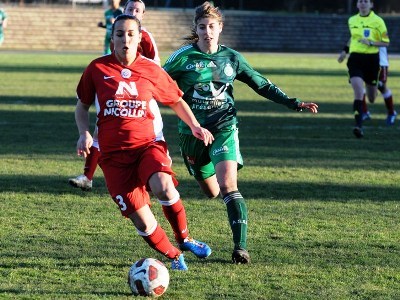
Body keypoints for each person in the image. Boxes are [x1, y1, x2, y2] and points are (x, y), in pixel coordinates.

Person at [163, 2, 318, 264]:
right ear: (196, 29)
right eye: (202, 27)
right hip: (192, 132)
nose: (207, 31)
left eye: (212, 26)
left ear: (220, 28)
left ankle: (240, 247)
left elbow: (261, 84)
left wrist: (294, 102)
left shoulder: (232, 58)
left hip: (224, 126)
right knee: (210, 191)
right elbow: (156, 82)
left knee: (228, 186)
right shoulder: (182, 58)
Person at [74, 14, 213, 270]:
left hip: (147, 146)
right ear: (112, 37)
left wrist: (195, 126)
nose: (125, 39)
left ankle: (184, 238)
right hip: (114, 159)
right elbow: (81, 107)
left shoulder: (151, 70)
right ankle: (173, 255)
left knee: (163, 185)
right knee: (143, 222)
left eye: (130, 34)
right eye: (119, 34)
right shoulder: (96, 68)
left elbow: (175, 100)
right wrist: (84, 133)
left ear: (139, 38)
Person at [69, 0, 160, 190]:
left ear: (143, 15)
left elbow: (156, 66)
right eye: (130, 9)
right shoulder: (117, 33)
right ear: (123, 10)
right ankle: (87, 176)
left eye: (138, 10)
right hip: (116, 89)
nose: (133, 12)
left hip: (140, 96)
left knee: (152, 134)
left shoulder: (146, 37)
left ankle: (153, 173)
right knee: (100, 129)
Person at [337, 0, 390, 138]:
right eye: (360, 1)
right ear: (357, 4)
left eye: (366, 1)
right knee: (358, 92)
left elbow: (386, 42)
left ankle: (373, 89)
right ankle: (358, 126)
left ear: (371, 5)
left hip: (372, 61)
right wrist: (344, 51)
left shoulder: (378, 21)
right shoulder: (352, 20)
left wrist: (371, 42)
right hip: (355, 59)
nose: (362, 3)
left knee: (371, 97)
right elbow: (353, 37)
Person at [361, 46, 397, 125]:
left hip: (380, 62)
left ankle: (391, 112)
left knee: (381, 87)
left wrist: (370, 42)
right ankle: (364, 112)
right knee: (358, 83)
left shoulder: (381, 32)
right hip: (364, 60)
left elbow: (386, 42)